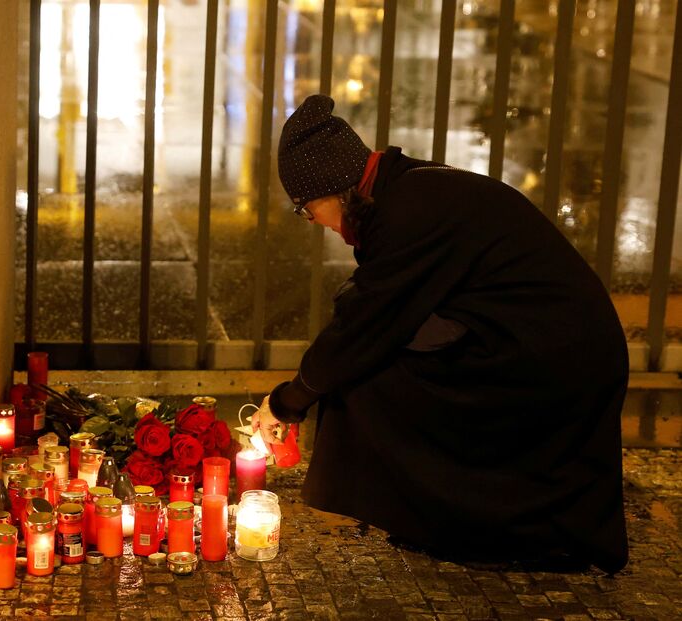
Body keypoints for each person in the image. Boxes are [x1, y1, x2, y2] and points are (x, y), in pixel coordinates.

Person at [251, 94, 629, 573]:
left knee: (368, 382)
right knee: (373, 370)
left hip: (555, 362)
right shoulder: (404, 191)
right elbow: (381, 313)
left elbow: (368, 324)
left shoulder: (408, 211)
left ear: (335, 189)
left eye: (306, 210)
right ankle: (448, 520)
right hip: (538, 345)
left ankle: (473, 528)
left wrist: (290, 399)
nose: (313, 223)